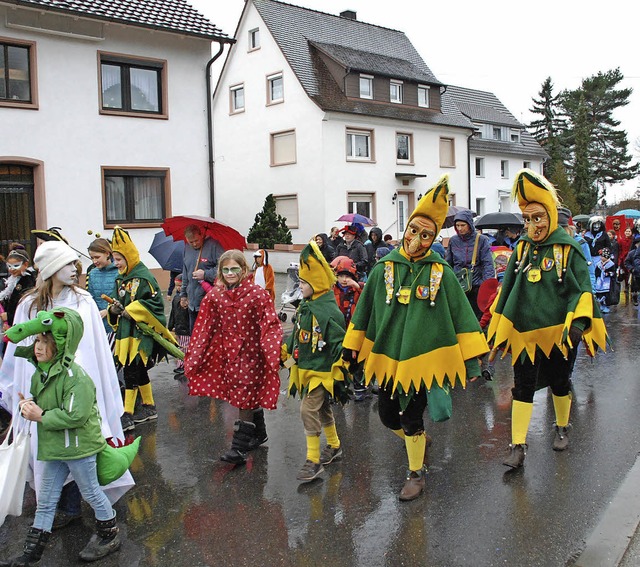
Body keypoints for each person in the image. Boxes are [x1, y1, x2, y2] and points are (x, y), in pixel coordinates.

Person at [343, 175, 488, 501]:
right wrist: (350, 349)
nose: (418, 240)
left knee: (411, 417)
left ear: (433, 238)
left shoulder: (442, 273)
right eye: (414, 231)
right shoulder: (383, 269)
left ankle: (416, 473)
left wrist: (472, 359)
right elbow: (364, 311)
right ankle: (418, 441)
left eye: (427, 235)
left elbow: (461, 316)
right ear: (406, 229)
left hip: (425, 362)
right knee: (385, 415)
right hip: (390, 358)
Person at [0, 240, 133, 525]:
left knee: (76, 442)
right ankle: (64, 506)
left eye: (75, 264)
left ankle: (88, 511)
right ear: (50, 269)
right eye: (67, 265)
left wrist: (105, 389)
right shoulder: (29, 305)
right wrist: (15, 389)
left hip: (77, 387)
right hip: (44, 386)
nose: (75, 270)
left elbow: (96, 349)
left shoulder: (83, 301)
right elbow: (19, 349)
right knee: (51, 442)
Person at [487, 170, 608, 469]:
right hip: (526, 335)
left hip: (560, 334)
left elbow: (582, 289)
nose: (531, 226)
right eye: (526, 220)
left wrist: (578, 326)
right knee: (522, 387)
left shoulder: (569, 248)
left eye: (537, 218)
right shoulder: (522, 249)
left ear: (551, 215)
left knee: (560, 382)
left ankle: (562, 428)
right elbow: (509, 290)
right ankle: (517, 445)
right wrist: (497, 328)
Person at [1, 309, 122, 565]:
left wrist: (41, 415)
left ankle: (109, 534)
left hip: (79, 448)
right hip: (54, 446)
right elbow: (37, 402)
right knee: (45, 501)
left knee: (90, 493)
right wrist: (28, 405)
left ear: (62, 344)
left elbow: (75, 416)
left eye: (47, 342)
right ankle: (30, 555)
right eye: (38, 341)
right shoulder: (40, 373)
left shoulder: (75, 376)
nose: (39, 347)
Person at [184, 250, 282, 465]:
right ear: (220, 271)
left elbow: (270, 324)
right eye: (225, 269)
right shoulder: (215, 296)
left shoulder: (257, 294)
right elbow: (204, 326)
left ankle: (238, 449)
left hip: (251, 354)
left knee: (243, 395)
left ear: (243, 269)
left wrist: (272, 350)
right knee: (244, 393)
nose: (230, 273)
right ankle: (258, 433)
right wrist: (195, 354)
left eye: (234, 269)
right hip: (228, 354)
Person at [283, 241, 350, 482]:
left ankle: (313, 460)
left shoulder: (328, 311)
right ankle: (334, 445)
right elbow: (297, 335)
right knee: (322, 409)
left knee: (307, 409)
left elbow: (339, 342)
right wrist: (285, 352)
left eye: (303, 283)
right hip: (306, 369)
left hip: (323, 372)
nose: (299, 287)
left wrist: (340, 369)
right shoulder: (305, 307)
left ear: (317, 284)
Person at [106, 227, 175, 432]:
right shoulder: (120, 278)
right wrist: (114, 308)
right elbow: (117, 298)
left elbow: (154, 305)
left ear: (129, 256)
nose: (117, 263)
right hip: (125, 334)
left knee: (131, 371)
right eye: (114, 259)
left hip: (140, 334)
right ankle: (149, 405)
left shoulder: (144, 277)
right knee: (137, 370)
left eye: (119, 259)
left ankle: (127, 413)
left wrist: (132, 311)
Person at [445, 209, 495, 318]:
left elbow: (488, 264)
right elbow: (448, 263)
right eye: (457, 225)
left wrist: (486, 286)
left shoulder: (481, 240)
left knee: (477, 316)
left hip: (476, 285)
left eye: (463, 225)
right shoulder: (453, 240)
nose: (460, 228)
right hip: (459, 284)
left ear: (469, 224)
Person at [330, 256, 366, 400]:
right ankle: (337, 388)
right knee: (337, 358)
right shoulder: (332, 290)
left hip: (354, 331)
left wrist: (357, 286)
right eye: (341, 276)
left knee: (355, 359)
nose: (344, 279)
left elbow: (368, 301)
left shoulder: (359, 289)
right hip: (338, 330)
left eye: (348, 276)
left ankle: (360, 387)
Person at [180, 224, 224, 332]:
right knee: (193, 335)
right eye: (191, 242)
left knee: (206, 336)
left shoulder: (214, 246)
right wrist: (183, 295)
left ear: (201, 235)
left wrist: (205, 274)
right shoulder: (186, 248)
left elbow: (223, 268)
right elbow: (185, 273)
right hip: (192, 303)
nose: (194, 244)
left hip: (208, 301)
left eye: (196, 240)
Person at [85, 238, 119, 335]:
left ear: (107, 254)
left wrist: (108, 310)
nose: (94, 261)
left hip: (116, 323)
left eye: (97, 257)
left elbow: (123, 298)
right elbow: (90, 298)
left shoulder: (119, 272)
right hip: (99, 323)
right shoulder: (92, 274)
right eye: (92, 258)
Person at [0, 244, 37, 328]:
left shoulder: (28, 282)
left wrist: (9, 317)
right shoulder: (13, 280)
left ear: (26, 264)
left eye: (16, 266)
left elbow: (26, 307)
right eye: (9, 266)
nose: (12, 269)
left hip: (22, 325)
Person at [168, 274, 190, 377]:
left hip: (187, 328)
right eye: (176, 285)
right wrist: (170, 326)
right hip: (179, 328)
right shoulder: (176, 298)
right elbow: (173, 313)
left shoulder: (188, 299)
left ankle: (183, 365)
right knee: (182, 347)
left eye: (180, 285)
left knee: (185, 347)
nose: (178, 288)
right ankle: (182, 365)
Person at [594, 248, 616, 313]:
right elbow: (596, 272)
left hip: (607, 282)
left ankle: (606, 305)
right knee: (599, 293)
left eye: (602, 256)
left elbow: (613, 273)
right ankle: (602, 305)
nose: (600, 257)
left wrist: (608, 274)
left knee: (606, 294)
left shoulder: (611, 264)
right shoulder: (598, 264)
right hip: (600, 282)